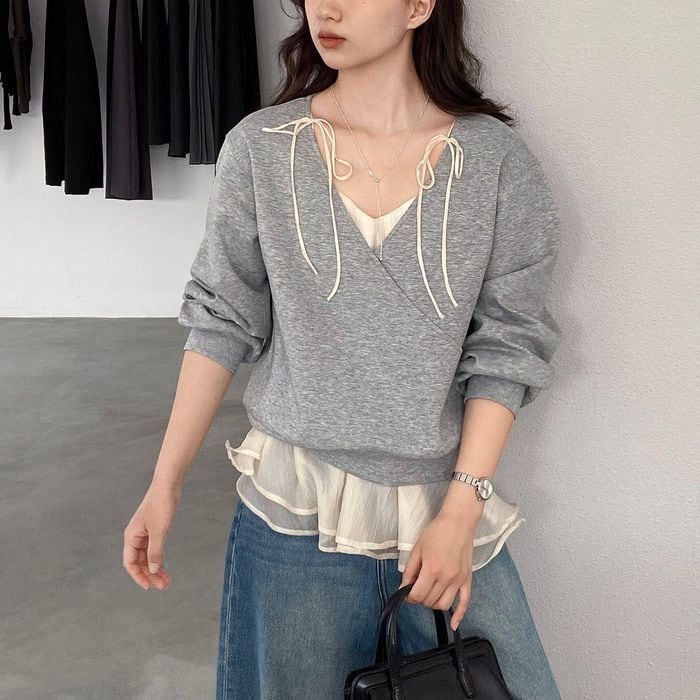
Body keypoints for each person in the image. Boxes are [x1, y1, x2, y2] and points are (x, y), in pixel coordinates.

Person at [123, 1, 564, 698]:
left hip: (443, 513)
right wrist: (164, 482)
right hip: (295, 513)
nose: (324, 8)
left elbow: (509, 346)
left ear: (419, 6)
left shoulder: (495, 161)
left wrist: (462, 510)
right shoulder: (262, 148)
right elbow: (221, 319)